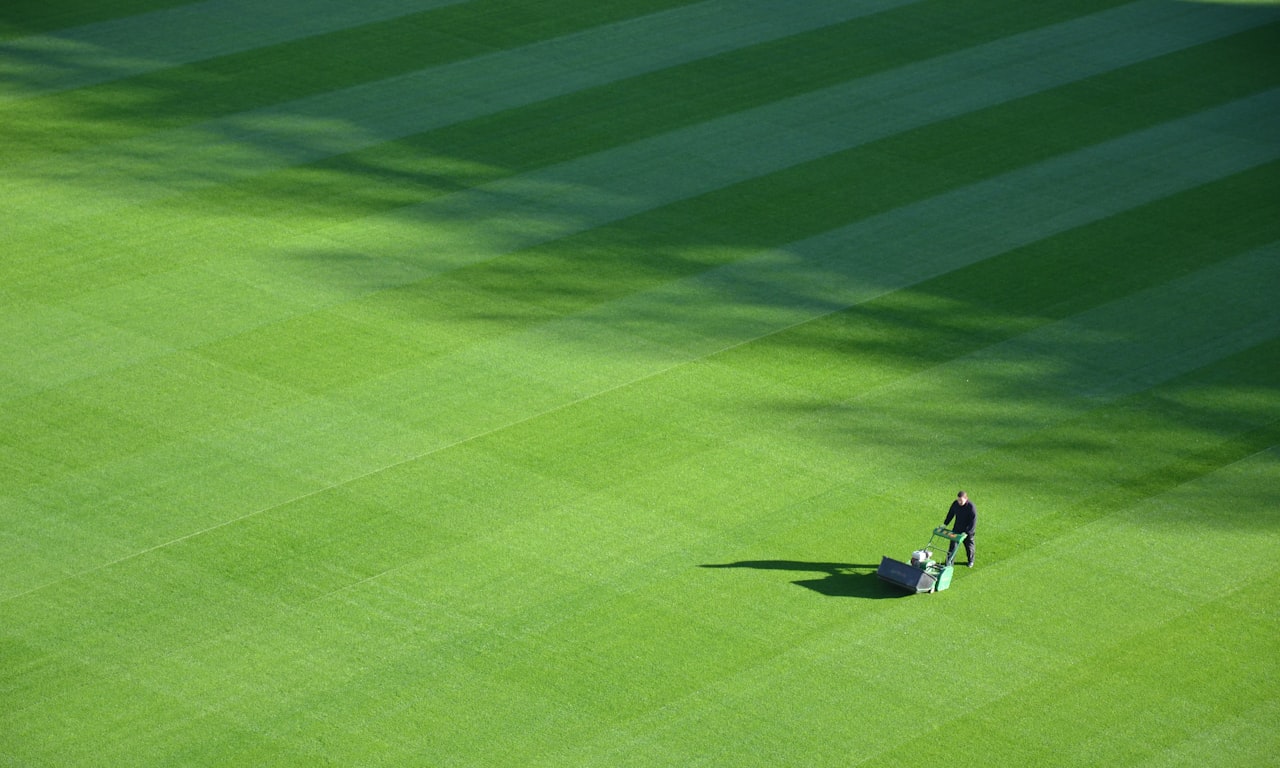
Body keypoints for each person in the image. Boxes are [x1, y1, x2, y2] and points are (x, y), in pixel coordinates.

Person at [943, 491, 977, 567]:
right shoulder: (955, 504)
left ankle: (971, 561)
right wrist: (945, 524)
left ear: (966, 499)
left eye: (961, 501)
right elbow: (950, 514)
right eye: (958, 500)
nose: (959, 502)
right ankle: (949, 563)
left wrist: (967, 532)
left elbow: (973, 522)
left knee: (969, 547)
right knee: (952, 547)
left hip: (968, 531)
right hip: (957, 529)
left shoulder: (971, 507)